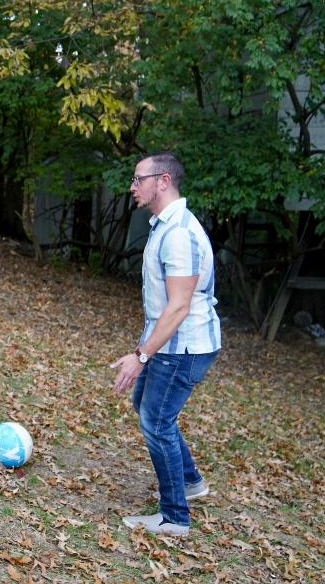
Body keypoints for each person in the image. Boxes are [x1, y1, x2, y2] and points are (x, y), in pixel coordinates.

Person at [109, 152, 221, 536]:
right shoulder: (166, 226)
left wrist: (141, 356)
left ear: (163, 181)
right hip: (171, 345)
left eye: (138, 179)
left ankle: (174, 517)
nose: (132, 186)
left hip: (184, 349)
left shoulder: (178, 234)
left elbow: (179, 307)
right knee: (148, 407)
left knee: (156, 422)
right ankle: (190, 481)